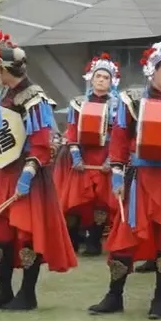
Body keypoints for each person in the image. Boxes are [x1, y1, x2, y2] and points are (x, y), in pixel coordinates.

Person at [87, 34, 161, 318]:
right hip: (138, 179)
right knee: (125, 237)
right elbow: (118, 140)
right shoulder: (131, 100)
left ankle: (160, 299)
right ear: (153, 70)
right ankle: (115, 296)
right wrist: (116, 176)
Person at [0, 32, 75, 310]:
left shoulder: (35, 97)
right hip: (5, 172)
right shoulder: (7, 94)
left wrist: (27, 176)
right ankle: (4, 290)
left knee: (26, 234)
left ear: (4, 69)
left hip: (28, 175)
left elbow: (42, 144)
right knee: (1, 235)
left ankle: (27, 294)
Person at [59, 54, 122, 260]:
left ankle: (94, 241)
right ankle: (72, 241)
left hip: (105, 158)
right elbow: (72, 132)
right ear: (91, 78)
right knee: (76, 201)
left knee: (101, 203)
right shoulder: (77, 103)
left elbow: (119, 135)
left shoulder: (118, 106)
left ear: (112, 81)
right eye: (99, 76)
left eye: (106, 77)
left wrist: (111, 159)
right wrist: (76, 157)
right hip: (81, 158)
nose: (102, 80)